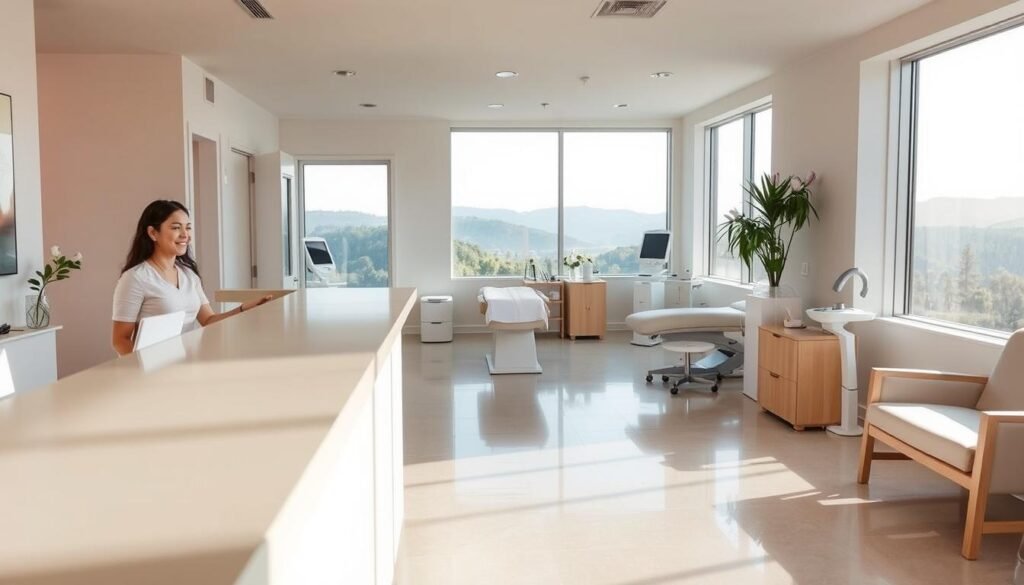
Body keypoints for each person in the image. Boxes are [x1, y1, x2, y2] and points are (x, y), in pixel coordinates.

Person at [111, 200, 271, 355]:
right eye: (176, 228)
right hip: (153, 368)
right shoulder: (135, 278)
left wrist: (243, 309)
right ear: (153, 233)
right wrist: (145, 367)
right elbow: (120, 340)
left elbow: (208, 320)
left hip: (187, 362)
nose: (185, 235)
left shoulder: (188, 275)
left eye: (188, 228)